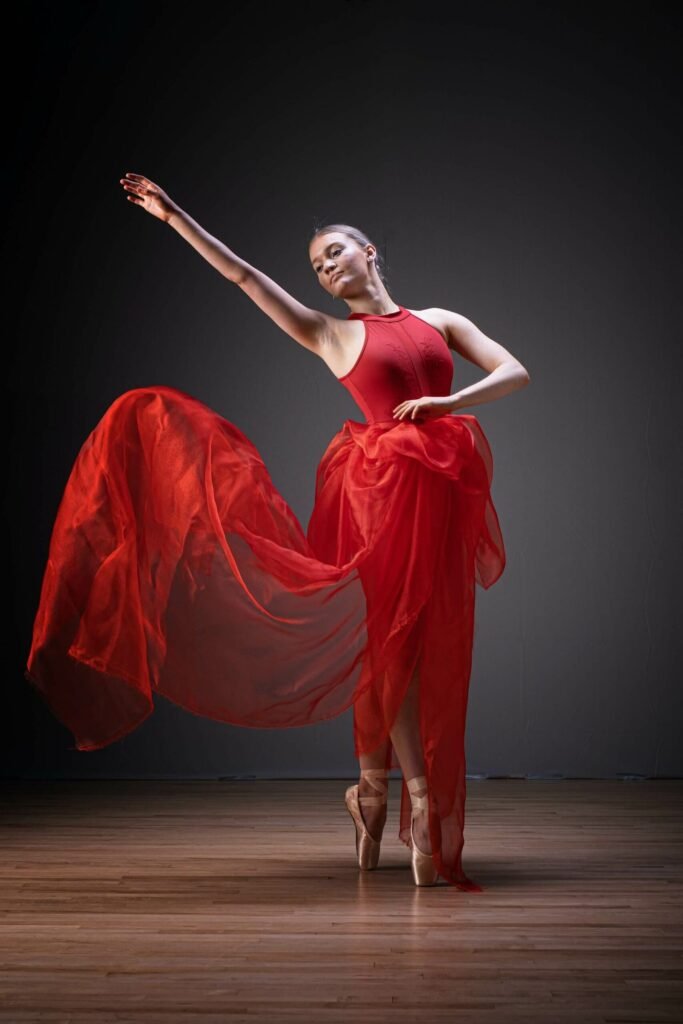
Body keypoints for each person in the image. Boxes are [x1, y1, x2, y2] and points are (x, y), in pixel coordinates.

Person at [24, 172, 529, 890]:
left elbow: (514, 371)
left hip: (435, 498)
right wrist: (173, 218)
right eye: (317, 265)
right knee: (389, 648)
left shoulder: (439, 320)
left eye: (332, 254)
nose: (324, 269)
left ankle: (372, 795)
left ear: (368, 253)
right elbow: (243, 277)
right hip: (376, 499)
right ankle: (413, 804)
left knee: (417, 647)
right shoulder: (329, 332)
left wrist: (446, 400)